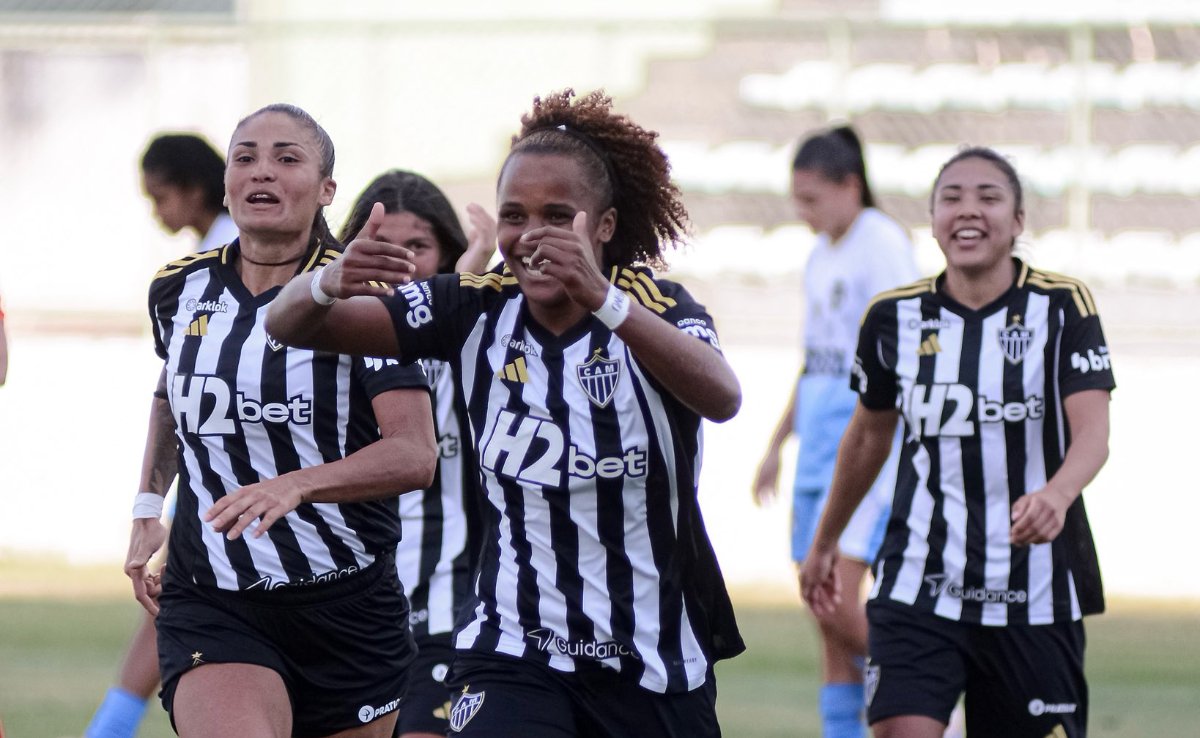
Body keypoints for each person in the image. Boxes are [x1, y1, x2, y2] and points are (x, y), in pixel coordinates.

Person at [266, 88, 745, 738]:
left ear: (603, 226)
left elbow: (722, 396)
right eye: (514, 216)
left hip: (652, 662)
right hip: (515, 652)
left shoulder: (650, 305)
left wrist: (602, 299)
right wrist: (326, 281)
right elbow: (293, 325)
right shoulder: (475, 307)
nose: (531, 237)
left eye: (558, 215)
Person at [123, 103, 438, 738]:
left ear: (326, 189)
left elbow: (415, 454)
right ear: (227, 183)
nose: (262, 171)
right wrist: (146, 505)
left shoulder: (362, 295)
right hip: (214, 595)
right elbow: (170, 397)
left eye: (286, 158)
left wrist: (298, 484)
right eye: (246, 158)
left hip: (347, 604)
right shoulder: (177, 290)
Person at [800, 147, 1114, 738]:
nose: (968, 210)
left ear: (1018, 222)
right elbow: (868, 438)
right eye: (952, 197)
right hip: (921, 581)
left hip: (1036, 592)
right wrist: (826, 542)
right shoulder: (893, 317)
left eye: (989, 197)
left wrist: (1057, 493)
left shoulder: (1062, 305)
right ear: (934, 218)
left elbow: (1092, 431)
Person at [751, 125, 918, 738]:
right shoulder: (820, 256)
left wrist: (873, 436)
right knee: (822, 613)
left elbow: (897, 360)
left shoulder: (881, 245)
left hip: (865, 450)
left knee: (842, 601)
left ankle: (930, 703)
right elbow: (815, 359)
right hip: (817, 447)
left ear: (851, 186)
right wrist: (776, 445)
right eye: (797, 198)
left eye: (812, 197)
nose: (803, 211)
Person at [86, 131, 243, 738]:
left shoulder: (229, 253)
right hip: (213, 456)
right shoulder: (210, 249)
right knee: (172, 595)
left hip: (231, 462)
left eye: (160, 197)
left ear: (193, 188)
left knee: (173, 598)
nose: (157, 213)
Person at [336, 169, 495, 738]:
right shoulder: (331, 348)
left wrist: (468, 275)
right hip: (348, 610)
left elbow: (436, 336)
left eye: (419, 248)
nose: (402, 264)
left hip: (450, 607)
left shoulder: (471, 340)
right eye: (384, 248)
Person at [140, 133, 240, 252]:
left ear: (194, 191)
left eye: (160, 199)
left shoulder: (236, 246)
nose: (155, 212)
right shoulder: (209, 246)